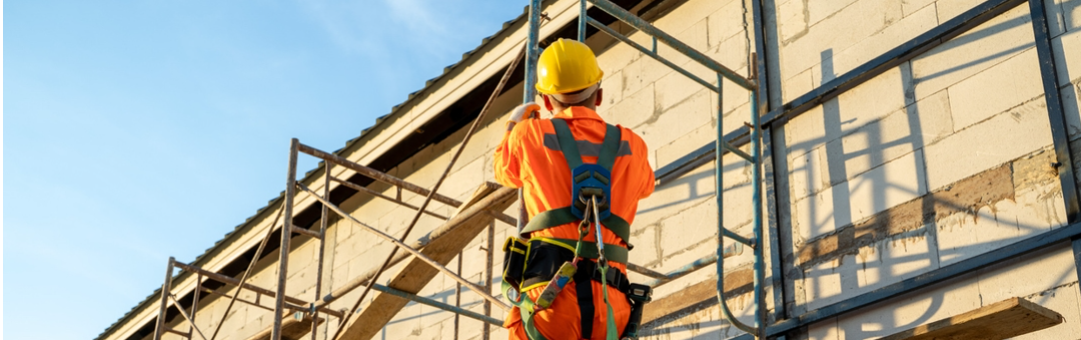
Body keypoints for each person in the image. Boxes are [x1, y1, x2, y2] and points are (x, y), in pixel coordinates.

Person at [495, 38, 655, 340]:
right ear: (599, 95)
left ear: (546, 102)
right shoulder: (633, 144)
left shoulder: (528, 135)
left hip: (549, 303)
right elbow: (645, 187)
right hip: (612, 307)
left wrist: (514, 125)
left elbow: (504, 171)